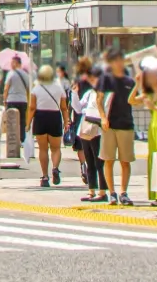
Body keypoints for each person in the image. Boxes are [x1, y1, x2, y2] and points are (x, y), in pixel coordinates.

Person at [96, 49, 136, 206]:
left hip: (126, 124)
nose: (119, 63)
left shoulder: (130, 81)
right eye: (116, 61)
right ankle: (111, 192)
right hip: (109, 125)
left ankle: (123, 192)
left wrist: (139, 82)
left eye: (121, 60)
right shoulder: (105, 79)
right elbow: (99, 100)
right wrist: (103, 118)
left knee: (125, 160)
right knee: (109, 159)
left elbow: (135, 100)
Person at [129, 57, 157, 204]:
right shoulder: (148, 93)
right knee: (155, 160)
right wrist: (136, 84)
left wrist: (155, 108)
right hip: (153, 127)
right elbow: (131, 100)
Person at [28, 64, 70, 188]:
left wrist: (28, 123)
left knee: (43, 149)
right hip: (55, 117)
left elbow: (32, 108)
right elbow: (64, 107)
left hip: (40, 117)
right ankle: (55, 168)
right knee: (56, 148)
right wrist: (66, 122)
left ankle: (45, 177)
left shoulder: (36, 89)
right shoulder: (59, 88)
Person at [76, 67, 109, 202]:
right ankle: (91, 190)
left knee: (99, 161)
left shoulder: (105, 93)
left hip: (99, 129)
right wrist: (74, 94)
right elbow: (78, 107)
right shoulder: (89, 93)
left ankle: (102, 191)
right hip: (86, 128)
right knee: (89, 160)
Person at [70, 56, 93, 185]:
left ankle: (83, 165)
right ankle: (90, 166)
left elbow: (73, 100)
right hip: (93, 113)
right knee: (93, 141)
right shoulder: (94, 79)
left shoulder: (77, 81)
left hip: (80, 114)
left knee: (81, 144)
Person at [3, 54, 32, 142]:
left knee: (11, 121)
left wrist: (4, 100)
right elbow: (28, 88)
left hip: (12, 100)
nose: (11, 64)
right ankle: (22, 139)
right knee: (22, 120)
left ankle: (12, 139)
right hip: (23, 100)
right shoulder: (26, 74)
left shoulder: (10, 73)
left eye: (12, 62)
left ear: (16, 63)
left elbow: (6, 88)